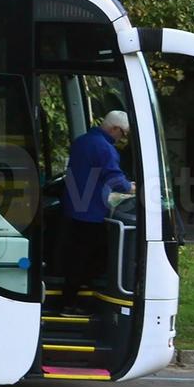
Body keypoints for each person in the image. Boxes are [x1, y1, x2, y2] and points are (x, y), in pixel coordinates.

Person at [60, 110, 136, 313]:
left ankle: (73, 297)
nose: (123, 139)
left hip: (74, 208)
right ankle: (70, 303)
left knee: (78, 255)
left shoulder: (82, 141)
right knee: (89, 257)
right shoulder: (105, 148)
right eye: (124, 134)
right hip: (91, 212)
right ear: (115, 129)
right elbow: (115, 179)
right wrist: (131, 187)